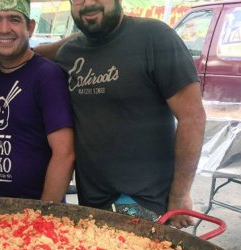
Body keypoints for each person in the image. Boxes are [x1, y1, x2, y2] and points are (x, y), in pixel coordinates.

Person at [55, 0, 207, 228]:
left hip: (147, 203)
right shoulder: (69, 54)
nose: (88, 3)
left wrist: (179, 196)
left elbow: (192, 118)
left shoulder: (155, 37)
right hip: (91, 203)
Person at [0, 0, 75, 202]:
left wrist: (43, 215)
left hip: (33, 210)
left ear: (30, 28)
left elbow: (64, 153)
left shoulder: (47, 75)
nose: (4, 29)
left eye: (14, 19)